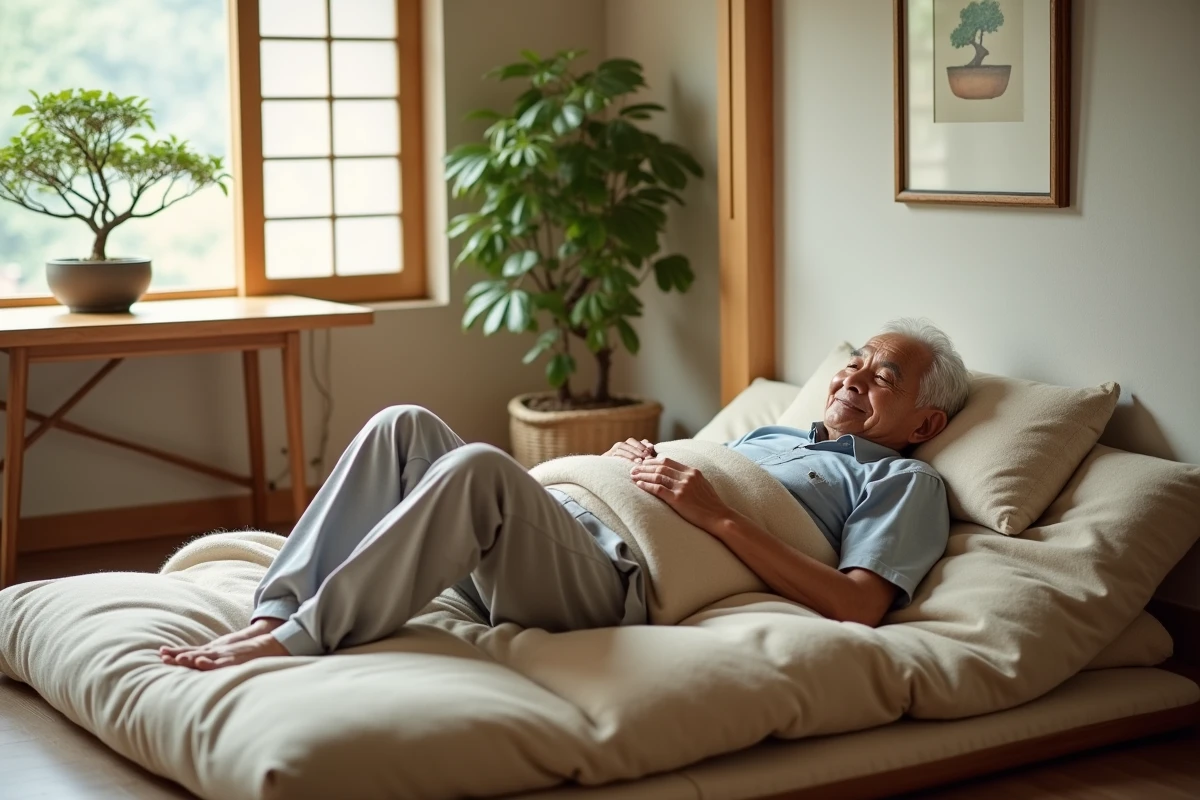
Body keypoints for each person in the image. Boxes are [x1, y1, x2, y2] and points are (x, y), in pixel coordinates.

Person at [160, 318, 969, 671]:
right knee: (402, 424)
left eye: (885, 376)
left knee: (478, 467)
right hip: (563, 530)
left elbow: (859, 606)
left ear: (925, 421)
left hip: (612, 581)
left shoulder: (903, 479)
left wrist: (714, 513)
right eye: (857, 360)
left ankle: (295, 641)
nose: (855, 375)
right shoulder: (773, 435)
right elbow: (694, 481)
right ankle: (274, 611)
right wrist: (631, 466)